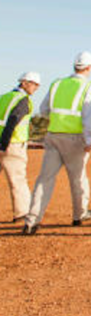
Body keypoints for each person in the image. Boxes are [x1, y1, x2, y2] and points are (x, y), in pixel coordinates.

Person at [23, 51, 91, 235]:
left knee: (44, 179)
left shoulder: (57, 84)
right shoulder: (88, 86)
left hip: (53, 136)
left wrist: (56, 121)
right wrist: (89, 140)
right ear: (89, 68)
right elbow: (88, 117)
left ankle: (32, 221)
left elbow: (43, 109)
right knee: (78, 179)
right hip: (75, 139)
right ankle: (79, 215)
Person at [0, 72, 41, 222]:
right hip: (12, 145)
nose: (36, 88)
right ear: (24, 83)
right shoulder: (24, 100)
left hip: (3, 142)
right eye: (34, 84)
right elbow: (13, 121)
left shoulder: (4, 97)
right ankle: (22, 213)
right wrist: (3, 145)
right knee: (17, 180)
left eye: (37, 85)